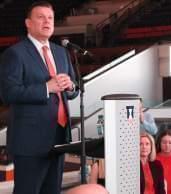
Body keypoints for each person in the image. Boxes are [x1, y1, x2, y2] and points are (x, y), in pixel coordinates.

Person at [0, 1, 78, 194]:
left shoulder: (61, 53)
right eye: (41, 17)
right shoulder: (15, 53)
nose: (47, 21)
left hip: (59, 137)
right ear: (28, 23)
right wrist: (46, 88)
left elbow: (74, 90)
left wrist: (70, 87)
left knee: (53, 191)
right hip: (30, 141)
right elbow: (8, 93)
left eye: (50, 18)